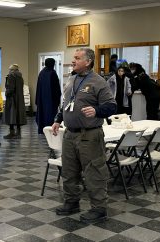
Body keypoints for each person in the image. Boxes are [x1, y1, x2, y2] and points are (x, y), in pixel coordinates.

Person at [51, 48, 116, 224]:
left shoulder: (98, 82)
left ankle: (99, 209)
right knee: (69, 171)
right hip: (70, 134)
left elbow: (111, 106)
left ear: (88, 62)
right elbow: (65, 103)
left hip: (90, 135)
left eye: (77, 58)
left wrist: (96, 110)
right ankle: (71, 202)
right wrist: (58, 119)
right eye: (74, 58)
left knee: (94, 172)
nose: (73, 61)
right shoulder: (72, 79)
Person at [35, 58, 61, 134]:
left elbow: (38, 88)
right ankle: (50, 130)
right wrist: (58, 100)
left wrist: (37, 100)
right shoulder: (53, 73)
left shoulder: (41, 73)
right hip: (51, 100)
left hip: (41, 99)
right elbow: (56, 89)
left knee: (42, 115)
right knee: (50, 115)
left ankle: (42, 130)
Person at [3, 64, 27, 139]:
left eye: (10, 69)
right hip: (19, 98)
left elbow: (10, 88)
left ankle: (12, 132)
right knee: (18, 115)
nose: (9, 71)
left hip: (12, 99)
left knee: (11, 115)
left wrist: (6, 93)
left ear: (13, 70)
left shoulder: (10, 76)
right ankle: (18, 133)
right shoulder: (20, 77)